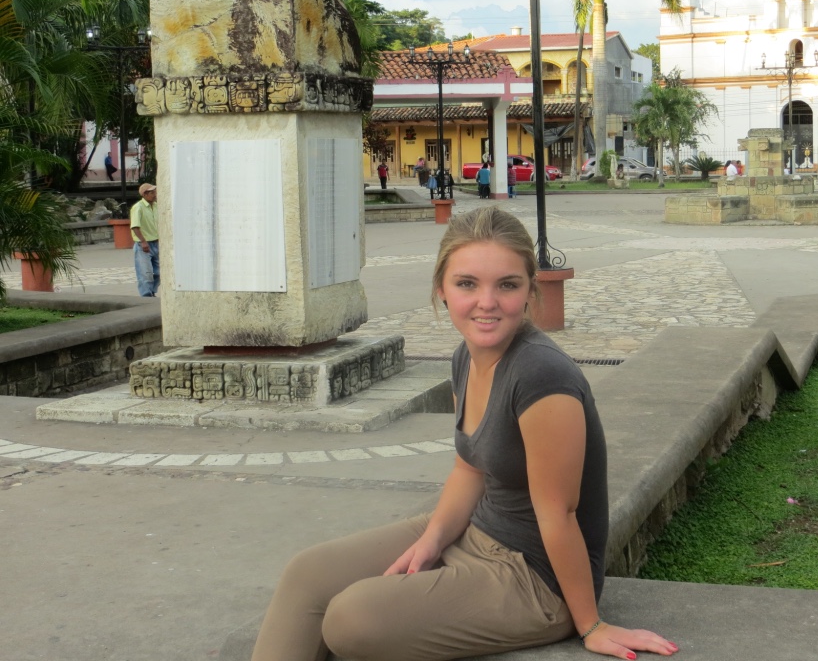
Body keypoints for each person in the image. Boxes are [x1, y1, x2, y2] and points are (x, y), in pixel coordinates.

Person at [250, 207, 678, 661]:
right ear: (441, 289)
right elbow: (469, 468)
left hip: (536, 579)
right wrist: (434, 539)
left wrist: (590, 625)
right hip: (478, 533)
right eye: (467, 283)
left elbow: (559, 514)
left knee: (351, 618)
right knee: (308, 575)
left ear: (531, 291)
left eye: (507, 285)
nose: (486, 302)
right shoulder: (465, 356)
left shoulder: (540, 375)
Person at [129, 183, 159, 297]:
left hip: (156, 242)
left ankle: (151, 291)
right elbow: (135, 226)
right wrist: (143, 241)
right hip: (144, 244)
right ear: (145, 194)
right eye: (152, 192)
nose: (155, 195)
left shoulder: (156, 206)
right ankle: (146, 296)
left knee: (159, 272)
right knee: (145, 273)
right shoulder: (138, 207)